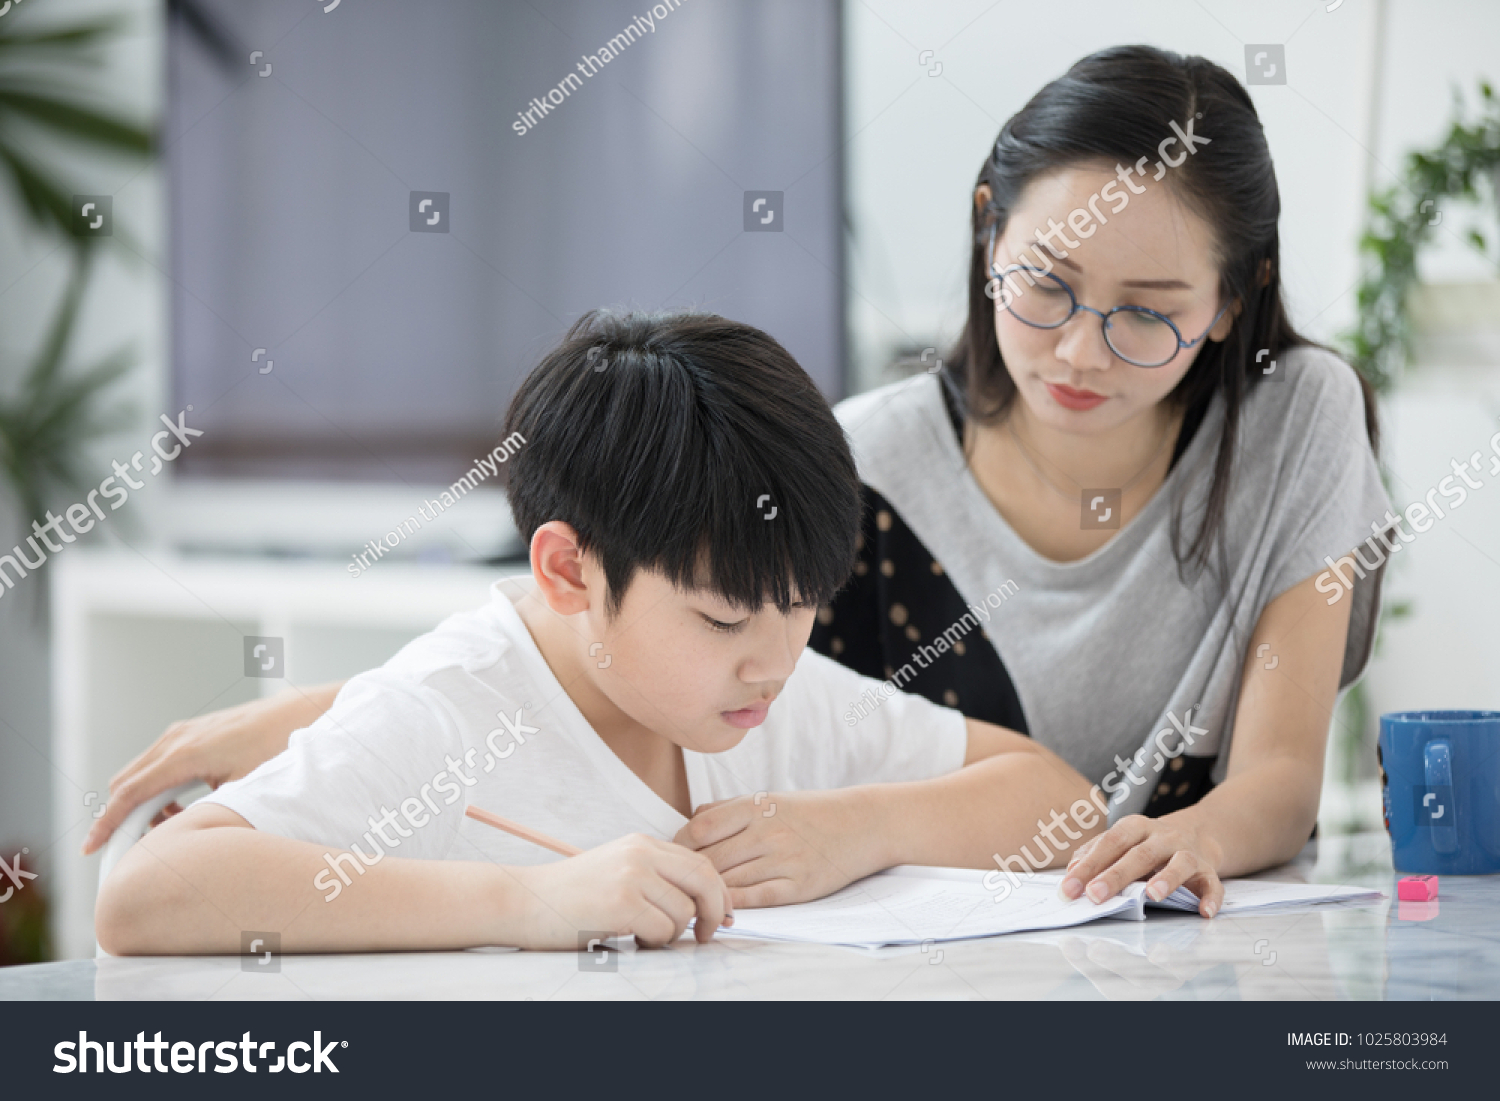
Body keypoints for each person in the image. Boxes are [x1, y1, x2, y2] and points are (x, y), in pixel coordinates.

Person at [89, 44, 1391, 920]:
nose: (1076, 349)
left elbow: (1265, 778)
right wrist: (323, 717)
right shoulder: (859, 453)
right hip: (947, 942)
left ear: (1232, 304)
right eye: (1042, 286)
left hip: (1187, 921)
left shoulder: (1298, 420)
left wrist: (1187, 841)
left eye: (1147, 314)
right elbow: (606, 622)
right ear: (989, 226)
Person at [95, 310, 1093, 955]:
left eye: (805, 606)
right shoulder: (449, 709)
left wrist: (863, 829)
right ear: (570, 572)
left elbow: (1061, 807)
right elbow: (145, 895)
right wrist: (527, 905)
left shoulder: (759, 693)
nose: (778, 658)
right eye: (722, 615)